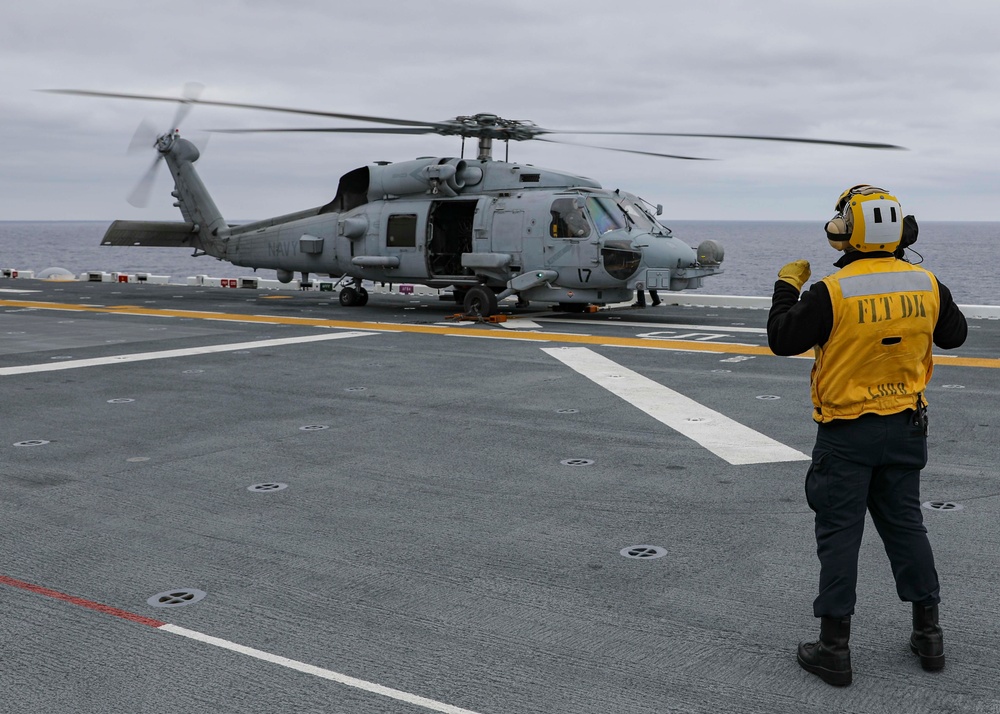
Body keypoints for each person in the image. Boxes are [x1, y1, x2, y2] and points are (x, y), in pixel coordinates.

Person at [766, 185, 968, 687]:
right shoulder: (927, 283)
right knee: (906, 526)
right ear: (904, 233)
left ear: (846, 233)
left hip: (846, 433)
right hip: (905, 427)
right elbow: (954, 335)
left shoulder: (831, 292)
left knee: (840, 535)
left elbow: (781, 339)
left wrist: (785, 287)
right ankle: (930, 634)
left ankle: (833, 648)